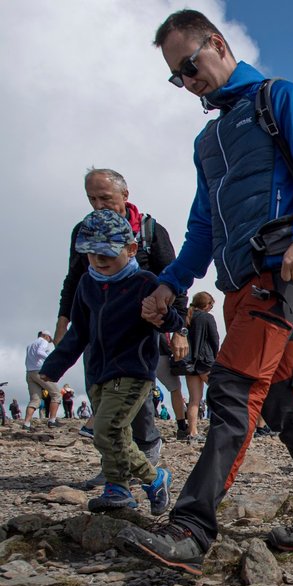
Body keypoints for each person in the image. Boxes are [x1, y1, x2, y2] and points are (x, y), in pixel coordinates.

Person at [117, 9, 293, 575]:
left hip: (285, 271)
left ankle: (193, 527)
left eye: (189, 66)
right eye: (177, 77)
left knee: (231, 389)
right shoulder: (208, 139)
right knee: (280, 398)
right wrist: (170, 284)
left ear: (216, 44)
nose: (187, 82)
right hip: (238, 283)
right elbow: (203, 228)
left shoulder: (280, 98)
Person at [39, 209, 178, 515]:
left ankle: (154, 478)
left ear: (131, 250)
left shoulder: (145, 282)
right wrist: (53, 367)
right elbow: (79, 332)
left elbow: (171, 321)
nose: (99, 262)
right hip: (99, 373)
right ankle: (119, 490)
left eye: (107, 255)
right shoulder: (87, 286)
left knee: (106, 429)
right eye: (91, 255)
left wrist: (164, 316)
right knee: (117, 433)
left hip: (133, 371)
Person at [58, 168, 185, 470]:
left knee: (131, 390)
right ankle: (114, 466)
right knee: (99, 390)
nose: (99, 205)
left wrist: (180, 329)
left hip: (139, 328)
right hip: (95, 322)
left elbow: (175, 277)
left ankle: (147, 445)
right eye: (92, 199)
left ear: (125, 195)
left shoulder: (151, 231)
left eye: (105, 198)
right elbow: (74, 278)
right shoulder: (83, 230)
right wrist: (63, 322)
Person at [181, 292, 220, 442]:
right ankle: (218, 427)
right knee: (219, 392)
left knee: (194, 399)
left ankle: (192, 432)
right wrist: (216, 357)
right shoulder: (207, 318)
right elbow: (214, 339)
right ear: (207, 304)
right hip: (205, 360)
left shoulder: (188, 317)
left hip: (190, 362)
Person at [23, 331, 62, 430]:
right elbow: (40, 352)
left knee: (35, 399)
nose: (49, 340)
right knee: (56, 394)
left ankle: (26, 423)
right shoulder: (43, 341)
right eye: (49, 338)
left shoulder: (30, 345)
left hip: (29, 373)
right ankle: (52, 420)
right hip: (39, 372)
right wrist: (50, 358)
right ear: (46, 336)